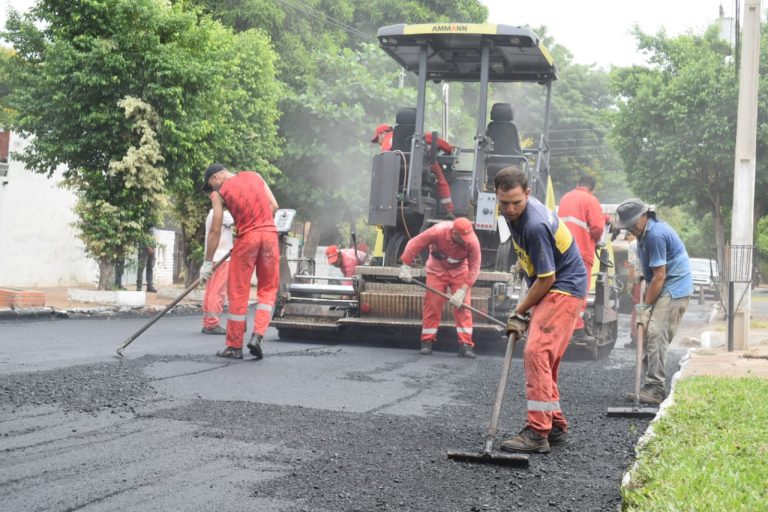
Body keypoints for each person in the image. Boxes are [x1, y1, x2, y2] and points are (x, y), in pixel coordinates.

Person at [494, 166, 587, 453]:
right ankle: (555, 424)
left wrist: (519, 311)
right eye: (504, 202)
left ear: (528, 194)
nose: (509, 209)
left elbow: (548, 277)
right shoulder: (513, 215)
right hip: (558, 286)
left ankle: (537, 432)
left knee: (535, 352)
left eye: (516, 202)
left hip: (563, 288)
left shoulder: (534, 224)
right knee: (546, 359)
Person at [615, 198, 692, 405]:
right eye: (627, 225)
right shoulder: (643, 234)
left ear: (644, 215)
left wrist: (645, 307)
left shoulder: (655, 234)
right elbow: (650, 270)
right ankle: (650, 385)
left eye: (632, 222)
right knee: (650, 331)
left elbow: (659, 276)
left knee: (656, 333)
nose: (630, 227)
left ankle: (656, 389)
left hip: (674, 288)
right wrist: (641, 274)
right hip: (663, 283)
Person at [201, 163, 280, 360]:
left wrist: (207, 263)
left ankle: (234, 347)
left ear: (215, 178)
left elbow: (215, 228)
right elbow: (274, 206)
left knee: (238, 292)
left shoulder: (219, 193)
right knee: (268, 290)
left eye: (211, 185)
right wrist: (259, 224)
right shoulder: (256, 175)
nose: (212, 189)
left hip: (247, 241)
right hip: (270, 237)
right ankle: (258, 335)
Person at [398, 217, 481, 359]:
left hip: (460, 271)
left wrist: (462, 291)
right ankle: (427, 342)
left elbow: (474, 268)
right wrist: (406, 265)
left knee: (463, 306)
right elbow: (414, 243)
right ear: (454, 233)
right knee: (432, 304)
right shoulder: (438, 231)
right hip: (437, 269)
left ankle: (466, 345)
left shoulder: (472, 241)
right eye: (463, 238)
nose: (466, 241)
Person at [371, 124, 455, 217]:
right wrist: (450, 149)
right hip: (422, 167)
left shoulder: (385, 144)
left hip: (396, 173)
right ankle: (449, 211)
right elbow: (438, 142)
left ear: (383, 134)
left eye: (377, 139)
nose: (378, 142)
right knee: (441, 181)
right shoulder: (416, 134)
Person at [557, 175, 605, 338]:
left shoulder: (565, 198)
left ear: (577, 184)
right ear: (592, 189)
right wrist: (598, 240)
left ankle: (557, 323)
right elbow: (597, 227)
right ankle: (577, 328)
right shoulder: (591, 200)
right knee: (578, 289)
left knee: (560, 287)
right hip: (581, 251)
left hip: (561, 251)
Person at [201, 207, 235, 335]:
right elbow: (239, 221)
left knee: (210, 291)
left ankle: (208, 321)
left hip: (213, 258)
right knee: (218, 291)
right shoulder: (223, 214)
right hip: (222, 259)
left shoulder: (212, 212)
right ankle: (212, 323)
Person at [624, 232, 642, 349]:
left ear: (632, 235)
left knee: (636, 310)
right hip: (652, 281)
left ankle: (635, 338)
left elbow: (631, 267)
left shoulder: (632, 245)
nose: (627, 240)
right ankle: (644, 338)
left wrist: (629, 284)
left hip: (639, 281)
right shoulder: (645, 242)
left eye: (628, 237)